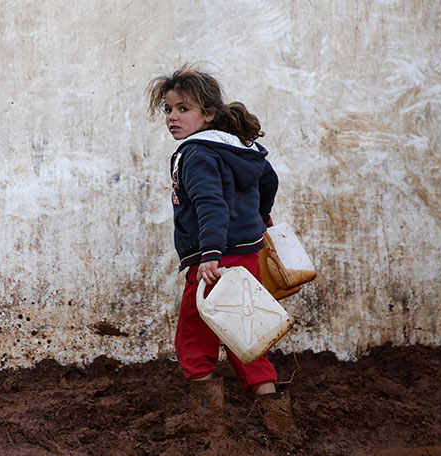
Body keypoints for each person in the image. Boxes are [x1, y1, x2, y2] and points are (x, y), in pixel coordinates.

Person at [146, 65, 292, 439]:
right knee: (246, 332)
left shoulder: (194, 154)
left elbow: (210, 205)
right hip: (247, 256)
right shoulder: (244, 149)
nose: (173, 117)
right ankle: (278, 419)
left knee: (195, 336)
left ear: (208, 114)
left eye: (183, 109)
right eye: (168, 109)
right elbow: (268, 180)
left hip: (213, 263)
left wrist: (209, 254)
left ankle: (207, 421)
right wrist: (261, 216)